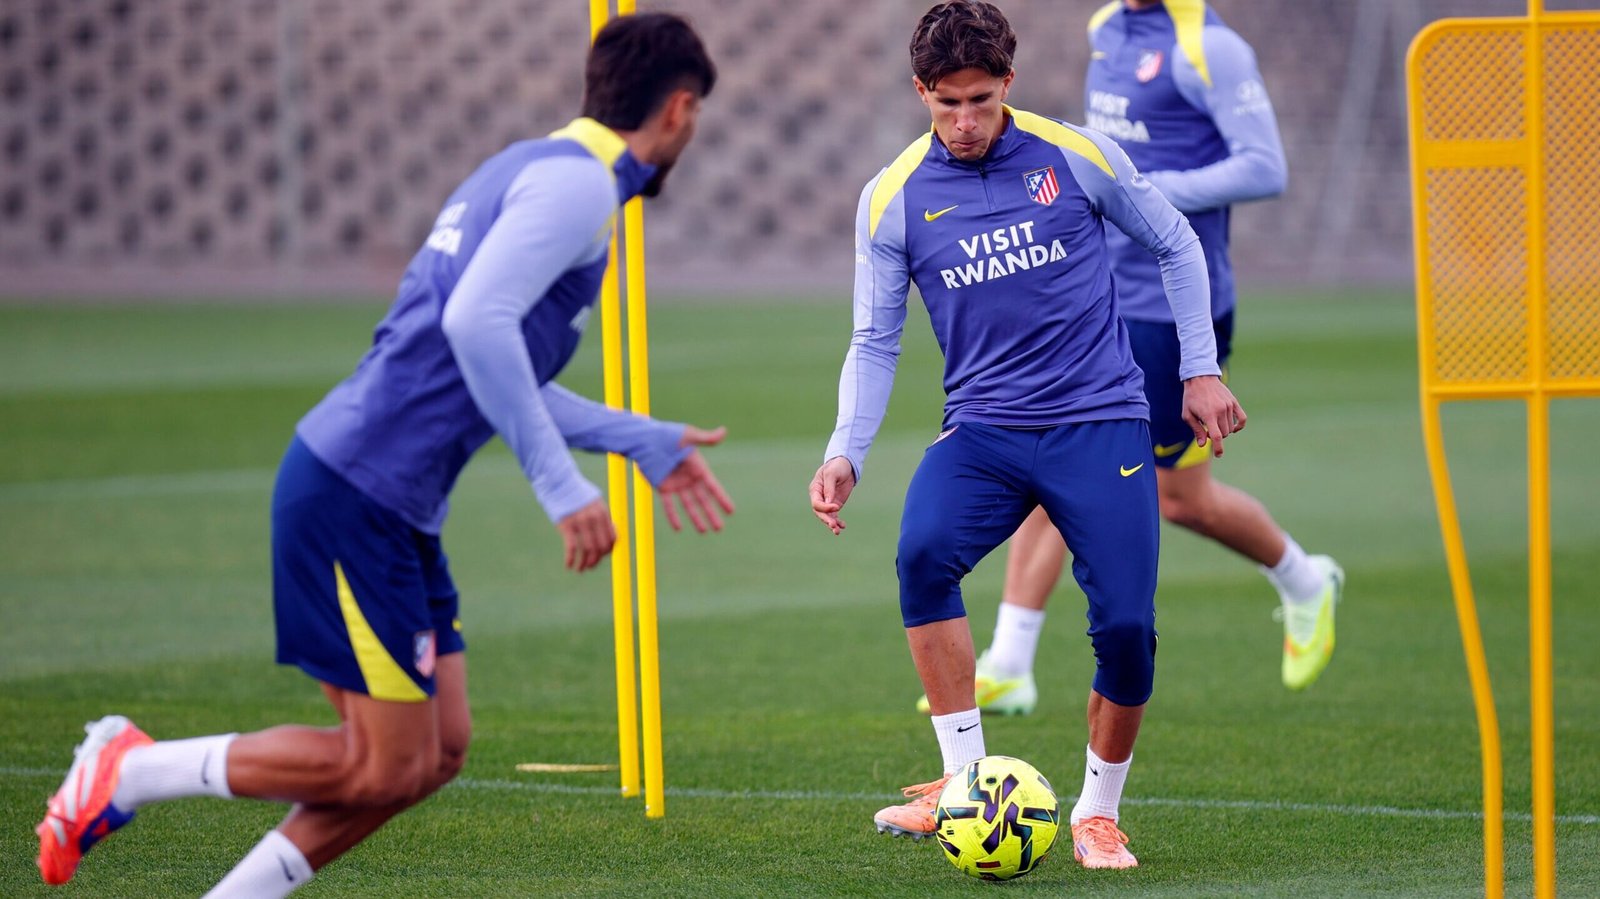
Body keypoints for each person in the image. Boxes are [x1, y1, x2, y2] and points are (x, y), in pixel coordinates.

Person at [35, 14, 732, 896]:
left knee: (433, 754)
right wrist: (562, 487)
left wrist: (639, 438)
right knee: (379, 764)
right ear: (677, 109)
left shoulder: (528, 167)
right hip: (351, 492)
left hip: (390, 504)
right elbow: (472, 324)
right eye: (698, 115)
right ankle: (130, 769)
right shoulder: (581, 188)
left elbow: (484, 362)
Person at [808, 0, 1244, 870]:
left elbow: (1175, 242)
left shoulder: (1075, 155)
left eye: (980, 99)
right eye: (945, 104)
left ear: (1008, 81)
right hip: (983, 432)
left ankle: (1098, 811)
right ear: (920, 92)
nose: (965, 122)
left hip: (1100, 422)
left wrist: (1199, 368)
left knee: (1125, 625)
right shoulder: (891, 198)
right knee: (922, 553)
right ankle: (963, 781)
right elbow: (874, 336)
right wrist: (844, 448)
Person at [936, 0, 1343, 722]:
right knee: (1052, 444)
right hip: (1093, 292)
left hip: (1169, 306)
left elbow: (1265, 167)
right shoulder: (1106, 28)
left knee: (1178, 495)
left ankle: (1303, 577)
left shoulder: (1211, 48)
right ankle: (1009, 662)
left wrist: (1138, 196)